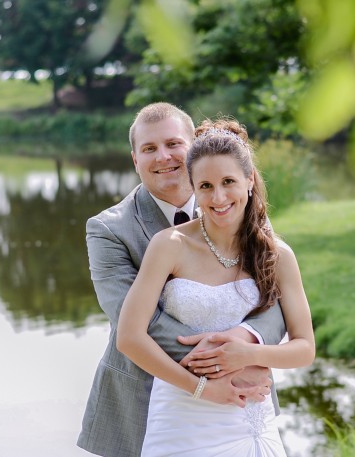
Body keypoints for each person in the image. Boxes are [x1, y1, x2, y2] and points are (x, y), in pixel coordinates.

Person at [78, 103, 287, 456]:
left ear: (194, 146)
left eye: (173, 144)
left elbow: (275, 301)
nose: (163, 157)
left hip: (243, 393)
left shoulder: (237, 207)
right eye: (149, 149)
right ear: (135, 160)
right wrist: (217, 368)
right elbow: (133, 321)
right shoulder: (108, 229)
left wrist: (245, 343)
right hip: (143, 403)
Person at [116, 118, 316, 456]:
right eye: (206, 186)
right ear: (192, 187)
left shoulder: (276, 255)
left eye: (228, 182)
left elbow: (304, 347)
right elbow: (130, 338)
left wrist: (249, 353)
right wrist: (201, 389)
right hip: (183, 416)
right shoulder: (169, 245)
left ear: (250, 180)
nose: (218, 197)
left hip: (250, 412)